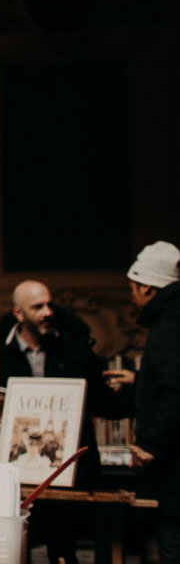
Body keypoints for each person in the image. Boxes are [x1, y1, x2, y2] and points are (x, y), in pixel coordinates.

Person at [0, 279, 128, 562]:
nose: (47, 312)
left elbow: (101, 402)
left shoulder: (71, 347)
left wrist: (141, 389)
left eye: (49, 304)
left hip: (66, 471)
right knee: (17, 547)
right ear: (18, 314)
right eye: (37, 307)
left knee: (63, 548)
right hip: (16, 471)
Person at [126, 241, 180, 562]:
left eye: (133, 288)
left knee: (171, 550)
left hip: (173, 475)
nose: (131, 297)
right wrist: (140, 381)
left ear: (147, 287)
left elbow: (176, 392)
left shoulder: (168, 324)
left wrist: (150, 446)